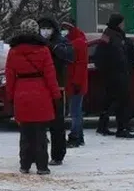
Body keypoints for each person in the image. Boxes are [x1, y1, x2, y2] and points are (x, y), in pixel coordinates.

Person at [6, 19, 60, 174]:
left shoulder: (14, 51)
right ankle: (42, 166)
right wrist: (56, 95)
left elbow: (10, 76)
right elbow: (50, 75)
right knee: (40, 133)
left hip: (21, 93)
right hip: (41, 93)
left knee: (25, 132)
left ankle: (25, 164)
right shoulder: (43, 50)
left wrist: (10, 96)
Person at [94, 13, 134, 139]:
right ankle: (121, 128)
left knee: (112, 101)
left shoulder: (118, 35)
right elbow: (100, 55)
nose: (124, 25)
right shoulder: (109, 35)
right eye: (122, 23)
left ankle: (104, 127)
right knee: (121, 102)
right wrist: (107, 71)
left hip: (120, 73)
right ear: (118, 23)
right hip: (114, 74)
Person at [37, 16, 74, 163]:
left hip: (58, 85)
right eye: (42, 28)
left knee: (57, 123)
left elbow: (69, 56)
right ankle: (37, 154)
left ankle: (58, 155)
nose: (45, 31)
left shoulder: (61, 42)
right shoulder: (35, 43)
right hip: (39, 86)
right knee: (38, 123)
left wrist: (53, 47)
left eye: (48, 28)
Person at [63, 20, 90, 148]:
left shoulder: (76, 43)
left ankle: (75, 136)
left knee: (75, 112)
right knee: (76, 111)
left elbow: (79, 65)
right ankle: (79, 136)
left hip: (75, 84)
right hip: (76, 83)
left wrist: (76, 82)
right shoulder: (79, 40)